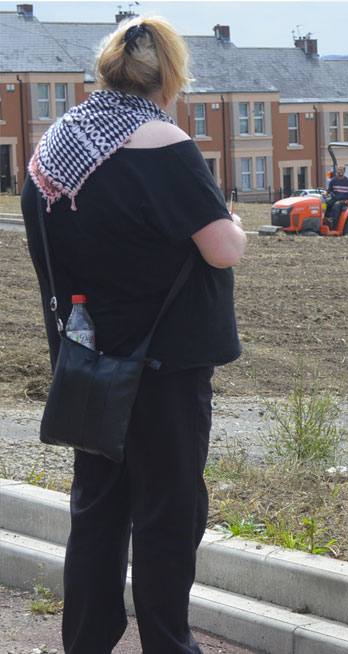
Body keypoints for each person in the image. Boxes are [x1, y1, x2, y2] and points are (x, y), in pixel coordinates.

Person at [21, 16, 245, 654]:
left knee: (96, 510)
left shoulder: (56, 147)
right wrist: (230, 219)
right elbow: (223, 248)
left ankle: (86, 642)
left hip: (88, 359)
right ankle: (169, 646)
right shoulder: (164, 144)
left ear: (107, 70)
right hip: (165, 363)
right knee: (167, 514)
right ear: (169, 76)